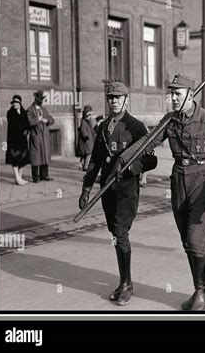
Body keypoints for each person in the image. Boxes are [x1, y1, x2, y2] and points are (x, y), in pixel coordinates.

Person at [112, 74, 205, 311]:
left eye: (177, 94)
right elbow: (148, 141)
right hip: (178, 183)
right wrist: (123, 159)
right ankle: (199, 287)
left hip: (202, 182)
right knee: (187, 241)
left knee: (196, 239)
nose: (173, 98)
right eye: (171, 94)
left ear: (190, 94)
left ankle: (201, 291)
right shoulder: (170, 120)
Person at [78, 81, 156, 306]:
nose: (113, 101)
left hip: (126, 190)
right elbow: (95, 160)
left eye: (117, 97)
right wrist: (86, 188)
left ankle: (126, 284)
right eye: (110, 97)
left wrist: (131, 168)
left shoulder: (137, 127)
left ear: (126, 100)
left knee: (121, 233)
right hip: (107, 190)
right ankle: (124, 280)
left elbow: (151, 160)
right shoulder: (103, 127)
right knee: (114, 232)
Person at [27, 89, 55, 183]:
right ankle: (35, 177)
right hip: (36, 136)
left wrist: (47, 121)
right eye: (39, 99)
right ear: (35, 99)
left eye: (41, 99)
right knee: (35, 158)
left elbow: (51, 119)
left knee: (45, 156)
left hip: (44, 136)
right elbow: (30, 122)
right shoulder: (30, 110)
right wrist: (38, 119)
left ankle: (45, 175)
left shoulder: (44, 109)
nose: (40, 101)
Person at [6, 95, 30, 185]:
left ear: (20, 103)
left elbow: (27, 124)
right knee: (15, 159)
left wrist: (26, 130)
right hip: (14, 140)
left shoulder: (24, 112)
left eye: (16, 103)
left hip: (23, 139)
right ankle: (17, 177)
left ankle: (19, 178)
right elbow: (14, 125)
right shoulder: (10, 113)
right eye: (13, 103)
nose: (14, 104)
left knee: (24, 159)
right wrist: (22, 129)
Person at [77, 105, 96, 171]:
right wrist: (86, 138)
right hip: (86, 142)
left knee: (87, 154)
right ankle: (85, 166)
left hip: (89, 141)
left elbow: (91, 130)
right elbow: (83, 130)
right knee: (88, 154)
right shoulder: (83, 122)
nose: (90, 117)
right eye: (89, 115)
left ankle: (84, 165)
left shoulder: (88, 121)